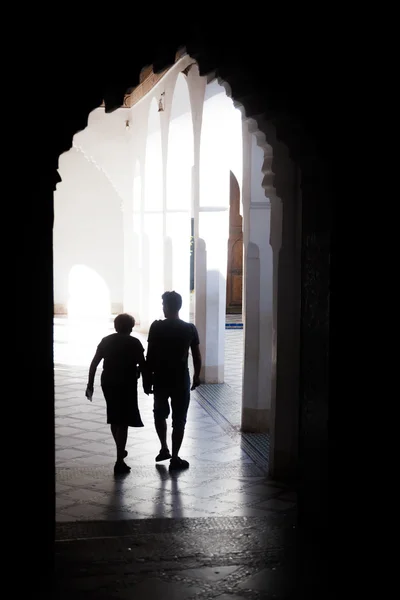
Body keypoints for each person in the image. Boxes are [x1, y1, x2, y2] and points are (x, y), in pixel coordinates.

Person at [85, 313, 149, 475]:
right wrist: (147, 383)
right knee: (124, 420)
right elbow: (143, 365)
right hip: (126, 383)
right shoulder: (134, 342)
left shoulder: (106, 341)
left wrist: (90, 384)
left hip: (108, 382)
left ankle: (120, 450)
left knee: (114, 416)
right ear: (131, 327)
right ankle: (119, 459)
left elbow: (94, 363)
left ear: (115, 326)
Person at [146, 291, 202, 470]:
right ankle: (175, 457)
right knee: (180, 418)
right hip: (181, 378)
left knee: (159, 414)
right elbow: (197, 356)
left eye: (163, 305)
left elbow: (150, 355)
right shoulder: (190, 328)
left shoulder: (156, 327)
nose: (162, 308)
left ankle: (164, 448)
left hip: (161, 378)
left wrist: (147, 379)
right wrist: (196, 375)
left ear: (167, 306)